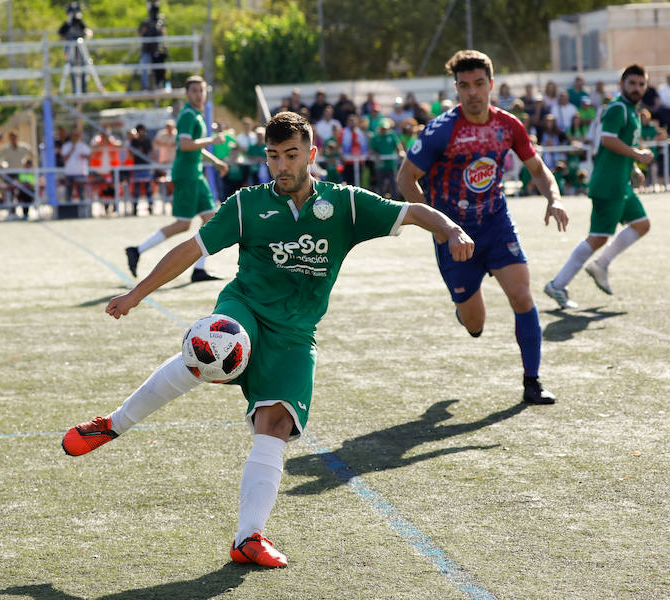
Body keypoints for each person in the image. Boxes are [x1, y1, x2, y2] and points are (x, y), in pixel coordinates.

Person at [61, 110, 474, 567]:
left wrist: (451, 229)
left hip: (296, 332)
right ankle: (113, 424)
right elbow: (190, 249)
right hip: (246, 309)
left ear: (311, 155)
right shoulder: (246, 204)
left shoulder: (345, 205)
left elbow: (412, 211)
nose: (282, 166)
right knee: (218, 346)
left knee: (275, 425)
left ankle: (248, 539)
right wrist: (137, 293)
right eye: (273, 156)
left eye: (291, 155)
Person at [397, 49, 568, 405]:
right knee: (475, 324)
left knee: (522, 295)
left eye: (479, 84)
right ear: (456, 88)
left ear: (491, 84)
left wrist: (554, 198)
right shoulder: (440, 130)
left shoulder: (508, 125)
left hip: (496, 223)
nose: (472, 92)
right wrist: (439, 227)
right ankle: (464, 311)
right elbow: (406, 178)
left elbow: (537, 169)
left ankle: (532, 382)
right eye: (464, 85)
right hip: (454, 234)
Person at [546, 64, 654, 308]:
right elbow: (608, 139)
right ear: (622, 85)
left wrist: (633, 168)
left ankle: (600, 265)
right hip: (609, 184)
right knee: (597, 238)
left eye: (641, 84)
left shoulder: (632, 111)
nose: (637, 88)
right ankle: (558, 284)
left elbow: (616, 145)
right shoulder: (618, 108)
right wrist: (637, 155)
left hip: (621, 184)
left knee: (642, 224)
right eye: (632, 83)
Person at [125, 75, 228, 282]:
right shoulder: (188, 115)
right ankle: (137, 250)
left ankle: (199, 269)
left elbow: (194, 146)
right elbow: (185, 145)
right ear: (187, 94)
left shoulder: (196, 115)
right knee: (183, 224)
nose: (199, 94)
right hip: (187, 175)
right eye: (195, 91)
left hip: (195, 174)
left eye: (202, 90)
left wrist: (216, 161)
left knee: (211, 220)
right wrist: (213, 140)